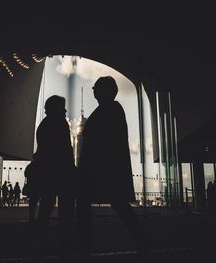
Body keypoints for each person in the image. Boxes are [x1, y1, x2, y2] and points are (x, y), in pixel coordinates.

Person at [76, 76, 147, 259]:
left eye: (96, 88)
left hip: (101, 169)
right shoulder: (111, 110)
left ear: (105, 90)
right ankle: (142, 239)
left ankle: (84, 245)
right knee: (119, 204)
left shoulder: (109, 110)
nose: (93, 90)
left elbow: (107, 142)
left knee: (96, 203)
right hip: (103, 168)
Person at [34, 95, 76, 260]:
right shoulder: (59, 124)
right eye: (62, 107)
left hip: (48, 172)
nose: (65, 111)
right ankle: (64, 241)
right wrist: (71, 168)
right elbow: (65, 148)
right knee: (65, 208)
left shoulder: (44, 125)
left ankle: (43, 241)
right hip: (61, 172)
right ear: (56, 108)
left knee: (46, 206)